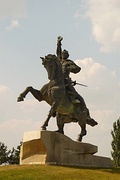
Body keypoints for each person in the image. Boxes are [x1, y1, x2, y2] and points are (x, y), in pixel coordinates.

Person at [56, 36, 98, 126]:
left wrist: (71, 68)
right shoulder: (59, 61)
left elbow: (77, 68)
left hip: (66, 81)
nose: (63, 54)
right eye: (63, 53)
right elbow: (58, 51)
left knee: (79, 98)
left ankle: (87, 116)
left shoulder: (69, 62)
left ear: (68, 55)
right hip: (58, 81)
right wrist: (58, 43)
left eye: (65, 53)